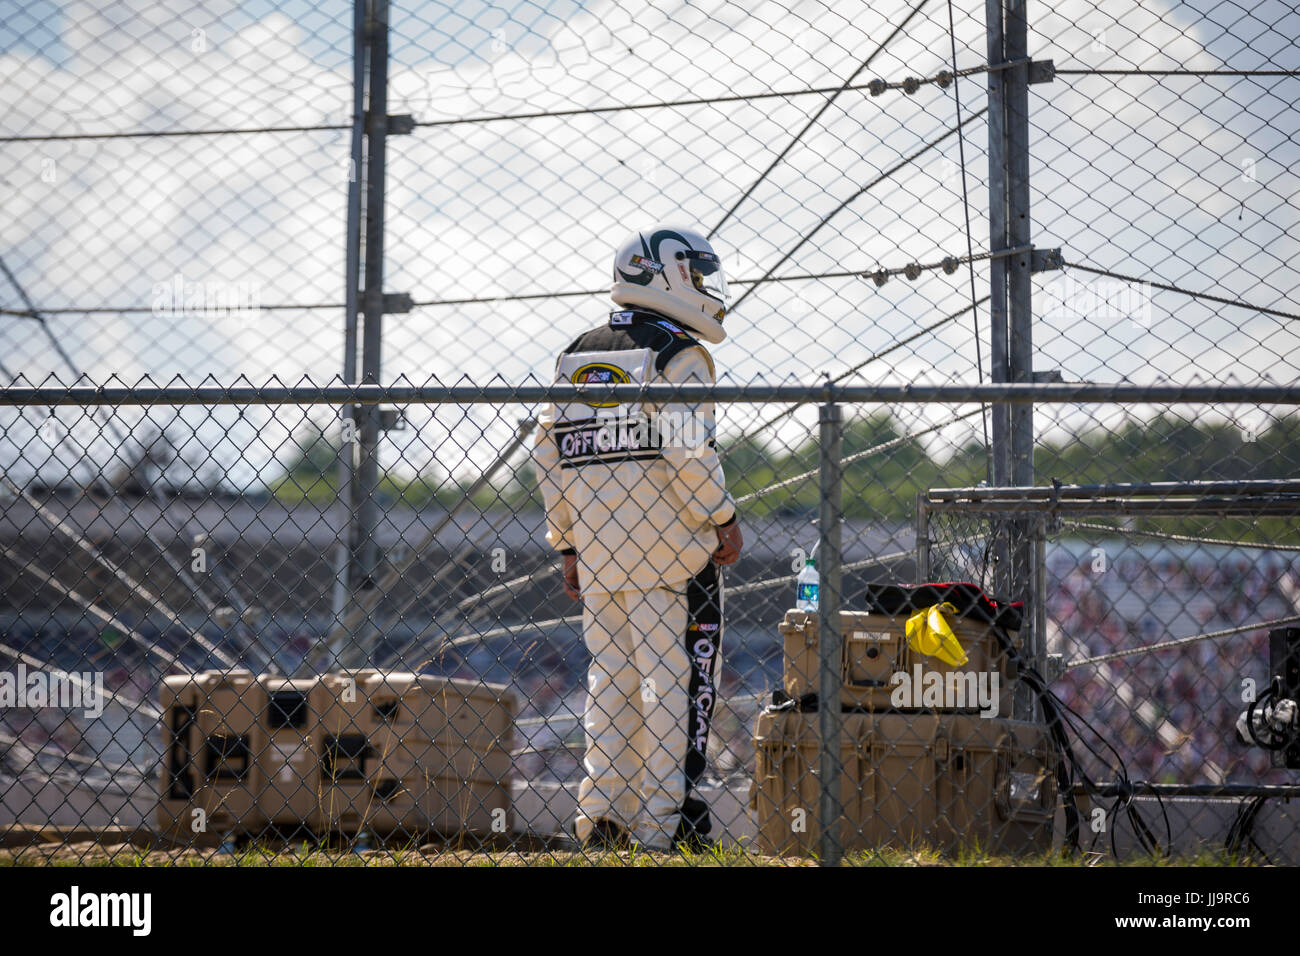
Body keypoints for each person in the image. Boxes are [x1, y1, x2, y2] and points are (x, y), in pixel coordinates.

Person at [533, 225, 743, 851]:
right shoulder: (678, 353)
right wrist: (723, 516)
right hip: (671, 549)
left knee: (611, 681)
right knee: (669, 684)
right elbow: (688, 450)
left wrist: (566, 543)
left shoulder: (579, 352)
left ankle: (602, 816)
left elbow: (548, 453)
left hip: (599, 548)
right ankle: (662, 825)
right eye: (697, 275)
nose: (705, 286)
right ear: (666, 275)